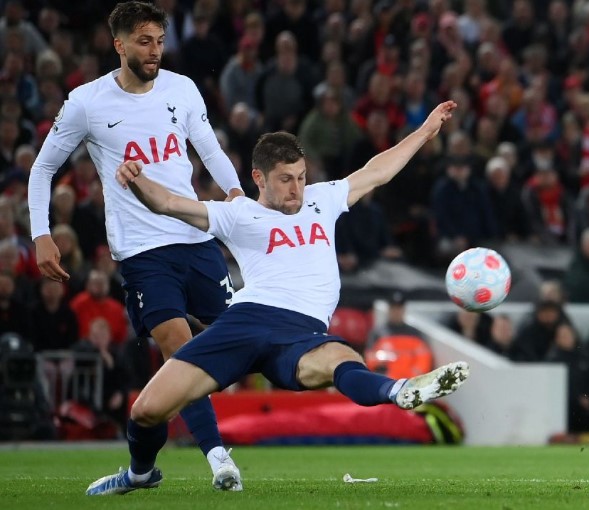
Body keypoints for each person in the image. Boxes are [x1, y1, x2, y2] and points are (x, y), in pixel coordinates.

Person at [85, 102, 469, 496]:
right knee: (146, 411)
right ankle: (139, 474)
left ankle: (400, 390)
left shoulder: (324, 199)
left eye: (301, 177)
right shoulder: (239, 214)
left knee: (343, 360)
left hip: (302, 332)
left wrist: (424, 131)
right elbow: (169, 204)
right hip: (245, 323)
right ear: (258, 177)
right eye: (285, 179)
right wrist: (136, 179)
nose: (296, 189)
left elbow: (377, 171)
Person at [28, 2, 245, 491]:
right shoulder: (87, 102)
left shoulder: (182, 89)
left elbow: (208, 149)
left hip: (196, 237)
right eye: (144, 42)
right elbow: (42, 169)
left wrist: (236, 197)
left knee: (241, 343)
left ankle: (141, 472)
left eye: (160, 41)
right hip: (144, 253)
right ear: (119, 44)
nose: (155, 52)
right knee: (177, 346)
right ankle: (218, 458)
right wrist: (41, 233)